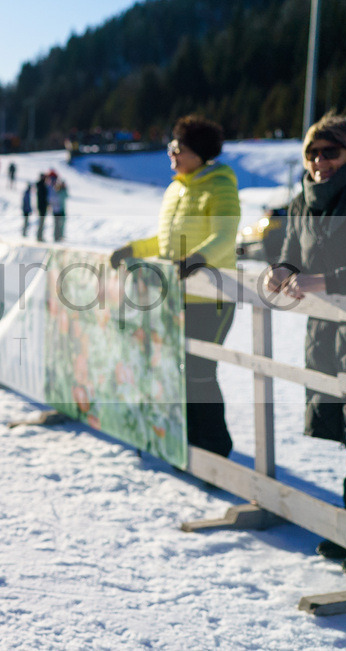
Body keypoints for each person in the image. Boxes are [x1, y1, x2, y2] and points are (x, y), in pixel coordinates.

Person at [262, 113, 346, 576]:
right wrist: (282, 266)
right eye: (312, 153)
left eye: (331, 152)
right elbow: (289, 246)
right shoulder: (305, 201)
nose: (320, 162)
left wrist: (328, 281)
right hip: (330, 334)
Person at [109, 115, 240, 459]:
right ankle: (189, 441)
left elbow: (226, 235)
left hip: (212, 298)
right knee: (177, 367)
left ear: (197, 152)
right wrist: (133, 250)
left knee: (199, 371)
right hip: (175, 297)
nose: (172, 154)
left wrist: (199, 258)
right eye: (171, 147)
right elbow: (166, 243)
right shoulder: (176, 187)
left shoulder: (220, 185)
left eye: (177, 148)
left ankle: (215, 448)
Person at [50, 178, 69, 242]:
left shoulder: (62, 192)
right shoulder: (56, 193)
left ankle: (60, 236)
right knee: (57, 224)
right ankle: (56, 237)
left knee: (61, 224)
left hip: (61, 210)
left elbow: (66, 196)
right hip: (57, 210)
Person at [34, 173, 49, 242]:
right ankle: (39, 236)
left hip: (41, 206)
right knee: (41, 222)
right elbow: (43, 197)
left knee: (41, 222)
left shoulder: (41, 185)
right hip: (42, 207)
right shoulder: (42, 186)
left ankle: (39, 236)